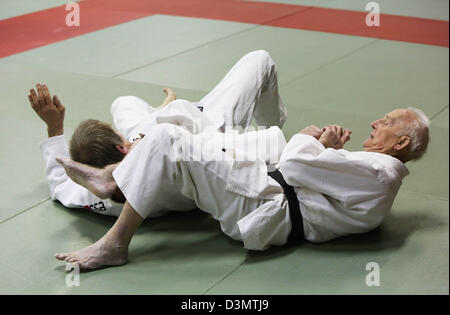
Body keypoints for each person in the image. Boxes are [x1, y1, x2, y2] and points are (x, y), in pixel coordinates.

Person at [52, 104, 429, 270]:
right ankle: (116, 174)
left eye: (391, 120)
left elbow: (295, 163)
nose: (379, 120)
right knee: (173, 141)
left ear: (401, 145)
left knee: (168, 137)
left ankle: (115, 242)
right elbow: (309, 173)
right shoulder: (377, 172)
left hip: (265, 205)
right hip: (265, 197)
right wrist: (323, 152)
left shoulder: (380, 174)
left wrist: (314, 142)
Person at [30, 50, 288, 217]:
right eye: (121, 136)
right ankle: (272, 123)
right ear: (122, 147)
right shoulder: (165, 144)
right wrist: (166, 114)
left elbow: (60, 184)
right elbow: (181, 137)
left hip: (167, 138)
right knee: (260, 60)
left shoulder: (95, 191)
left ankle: (159, 110)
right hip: (207, 127)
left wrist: (54, 128)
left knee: (123, 102)